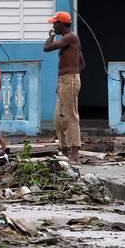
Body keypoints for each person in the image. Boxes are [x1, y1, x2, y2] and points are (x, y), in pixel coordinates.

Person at [43, 11, 86, 164]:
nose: (54, 26)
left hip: (69, 80)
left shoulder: (70, 37)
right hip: (64, 81)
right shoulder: (71, 40)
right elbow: (82, 64)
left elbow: (47, 48)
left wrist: (52, 35)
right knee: (59, 119)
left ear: (61, 24)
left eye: (55, 23)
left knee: (69, 117)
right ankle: (64, 152)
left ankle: (74, 155)